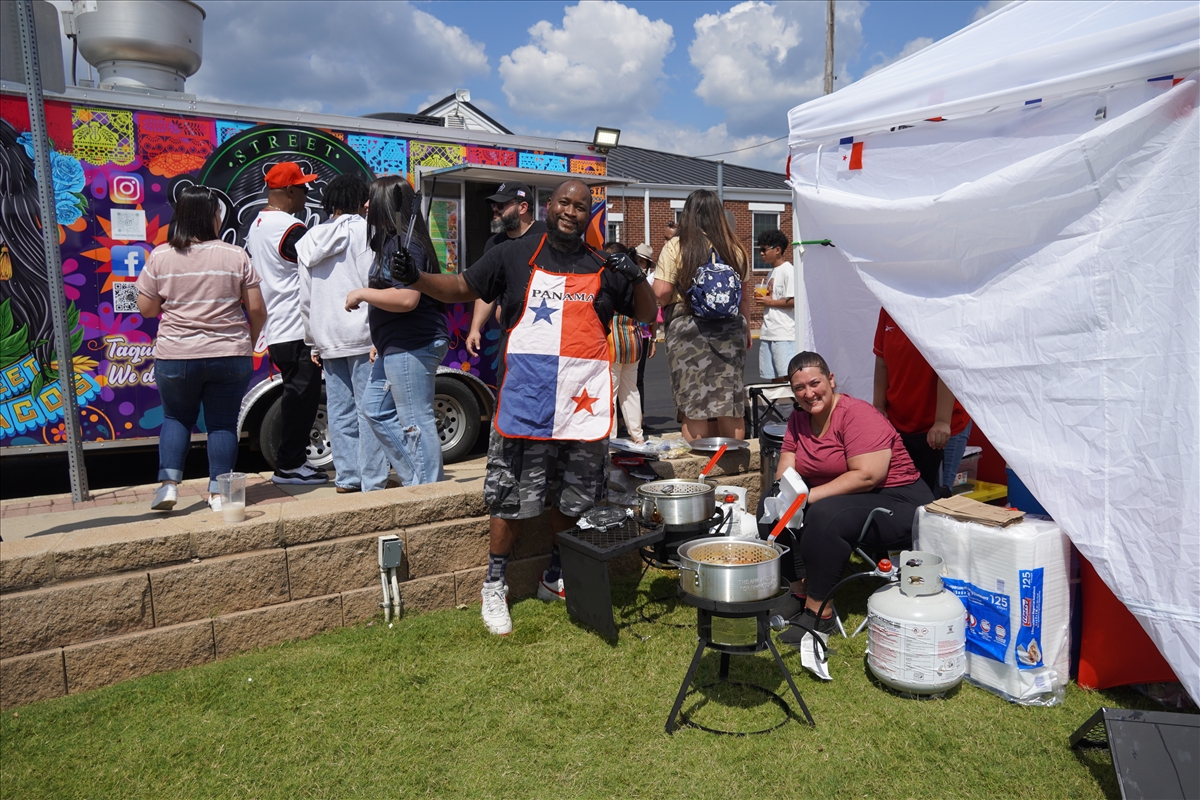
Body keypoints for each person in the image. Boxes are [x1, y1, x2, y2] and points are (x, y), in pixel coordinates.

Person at [387, 178, 656, 635]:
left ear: (588, 214)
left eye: (580, 206)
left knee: (574, 498)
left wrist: (634, 274)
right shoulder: (513, 254)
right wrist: (415, 278)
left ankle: (556, 574)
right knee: (509, 499)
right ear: (549, 205)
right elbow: (460, 286)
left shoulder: (602, 265)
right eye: (564, 202)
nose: (571, 211)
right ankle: (494, 585)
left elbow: (647, 313)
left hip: (579, 408)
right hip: (526, 403)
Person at [771, 351, 933, 637]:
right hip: (848, 497)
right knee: (771, 504)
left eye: (815, 383)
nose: (808, 393)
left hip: (899, 500)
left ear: (831, 380)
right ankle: (797, 593)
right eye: (799, 388)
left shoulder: (857, 414)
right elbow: (785, 468)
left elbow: (868, 475)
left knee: (825, 515)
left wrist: (807, 498)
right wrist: (785, 494)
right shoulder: (799, 418)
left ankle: (820, 616)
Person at [138, 186, 267, 512]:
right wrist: (250, 341)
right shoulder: (236, 255)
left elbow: (147, 309)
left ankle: (168, 486)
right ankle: (218, 494)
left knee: (176, 417)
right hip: (230, 353)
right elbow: (256, 309)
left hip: (176, 355)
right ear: (213, 217)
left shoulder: (161, 256)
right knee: (222, 424)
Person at [344, 176, 449, 487]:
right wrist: (380, 341)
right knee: (374, 409)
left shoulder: (407, 244)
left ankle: (427, 490)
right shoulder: (392, 242)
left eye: (372, 198)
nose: (366, 205)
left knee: (416, 419)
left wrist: (362, 293)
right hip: (395, 345)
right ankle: (416, 479)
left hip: (413, 343)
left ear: (387, 204)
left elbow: (407, 298)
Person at [297, 173, 392, 493]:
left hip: (327, 335)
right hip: (365, 334)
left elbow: (305, 296)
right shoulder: (368, 232)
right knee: (371, 410)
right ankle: (373, 479)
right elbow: (375, 282)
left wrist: (312, 340)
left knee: (339, 411)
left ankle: (348, 477)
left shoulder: (310, 239)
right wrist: (381, 335)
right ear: (361, 201)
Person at [245, 161, 327, 485]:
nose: (307, 194)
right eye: (303, 187)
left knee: (297, 395)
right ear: (290, 190)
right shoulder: (290, 227)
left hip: (276, 327)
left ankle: (293, 462)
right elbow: (318, 266)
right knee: (301, 397)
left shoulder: (258, 223)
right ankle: (290, 464)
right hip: (295, 328)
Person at [653, 189, 753, 441]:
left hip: (687, 329)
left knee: (694, 404)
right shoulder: (735, 248)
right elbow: (744, 297)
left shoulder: (677, 246)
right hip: (730, 329)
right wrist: (747, 330)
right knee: (729, 402)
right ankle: (732, 461)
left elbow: (662, 292)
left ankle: (700, 462)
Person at [872, 308, 973, 496]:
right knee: (901, 496)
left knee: (936, 500)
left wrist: (942, 421)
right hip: (899, 424)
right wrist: (878, 405)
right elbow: (881, 361)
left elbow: (949, 365)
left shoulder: (943, 308)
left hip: (942, 428)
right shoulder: (888, 308)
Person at [464, 181, 546, 358]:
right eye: (494, 205)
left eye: (501, 204)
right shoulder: (494, 243)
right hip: (510, 336)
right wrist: (475, 328)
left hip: (545, 333)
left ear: (523, 207)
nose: (495, 209)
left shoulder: (547, 237)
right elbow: (486, 290)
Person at [603, 242, 646, 443]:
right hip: (633, 341)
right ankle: (637, 436)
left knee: (609, 393)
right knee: (630, 391)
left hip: (611, 342)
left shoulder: (609, 278)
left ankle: (610, 438)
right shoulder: (636, 279)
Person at [754, 229, 797, 382]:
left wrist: (770, 302)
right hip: (768, 331)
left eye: (764, 249)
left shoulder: (789, 271)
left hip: (784, 333)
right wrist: (766, 300)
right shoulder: (771, 272)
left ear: (777, 250)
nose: (761, 253)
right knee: (773, 378)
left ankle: (789, 400)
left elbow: (795, 301)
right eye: (760, 250)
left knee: (787, 376)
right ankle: (777, 400)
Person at [630, 243, 658, 416]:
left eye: (644, 262)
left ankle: (640, 417)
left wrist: (654, 339)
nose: (641, 265)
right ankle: (621, 418)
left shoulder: (648, 285)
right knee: (623, 378)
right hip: (626, 333)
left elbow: (653, 313)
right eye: (638, 261)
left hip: (644, 335)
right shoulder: (625, 280)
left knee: (639, 378)